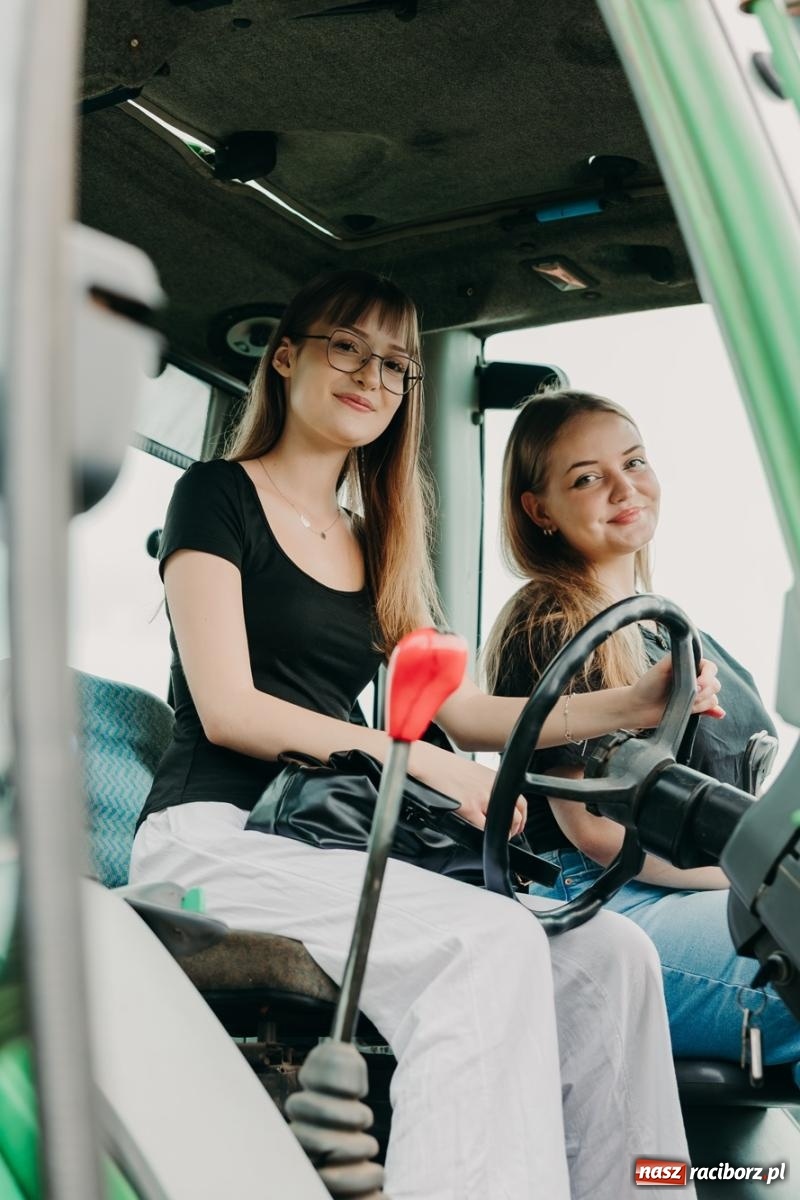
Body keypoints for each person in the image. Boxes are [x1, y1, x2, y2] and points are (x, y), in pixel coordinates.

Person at [129, 273, 721, 1200]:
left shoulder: (380, 540)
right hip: (215, 839)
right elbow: (229, 709)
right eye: (347, 348)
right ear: (286, 358)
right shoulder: (215, 497)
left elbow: (462, 712)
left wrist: (630, 705)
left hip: (334, 842)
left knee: (616, 957)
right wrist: (434, 769)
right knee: (484, 944)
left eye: (396, 364)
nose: (372, 375)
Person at [484, 388, 800, 1085]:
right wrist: (759, 875)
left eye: (634, 462)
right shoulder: (550, 624)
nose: (624, 487)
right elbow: (597, 834)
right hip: (608, 903)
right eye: (587, 477)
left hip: (698, 896)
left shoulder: (676, 632)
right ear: (538, 510)